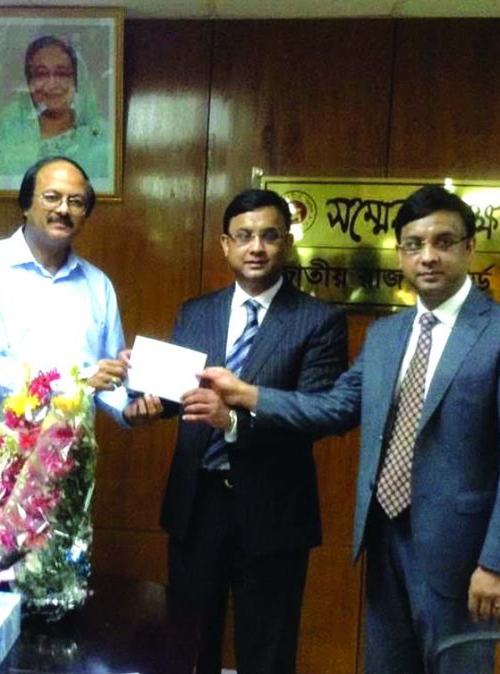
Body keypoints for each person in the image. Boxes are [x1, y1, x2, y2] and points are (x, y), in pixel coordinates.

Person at [199, 185, 500, 674]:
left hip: (464, 556)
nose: (427, 256)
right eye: (413, 244)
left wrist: (499, 562)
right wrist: (247, 395)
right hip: (385, 540)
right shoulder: (388, 335)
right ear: (400, 252)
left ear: (470, 248)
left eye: (443, 242)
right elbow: (335, 408)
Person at [153, 189, 348, 674]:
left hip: (273, 511)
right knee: (188, 648)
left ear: (285, 243)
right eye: (244, 236)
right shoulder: (195, 312)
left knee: (267, 653)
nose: (256, 246)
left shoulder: (319, 321)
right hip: (196, 507)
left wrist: (234, 421)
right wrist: (143, 400)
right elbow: (178, 395)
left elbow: (319, 413)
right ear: (225, 244)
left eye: (269, 235)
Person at [0, 156, 154, 561]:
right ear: (26, 205)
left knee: (56, 585)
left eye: (77, 202)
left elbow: (107, 374)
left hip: (65, 452)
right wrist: (78, 380)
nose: (64, 209)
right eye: (52, 197)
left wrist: (128, 410)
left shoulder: (98, 285)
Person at [0, 35, 110, 180]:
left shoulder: (102, 137)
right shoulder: (6, 131)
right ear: (29, 82)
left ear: (77, 81)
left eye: (62, 74)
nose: (52, 84)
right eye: (41, 74)